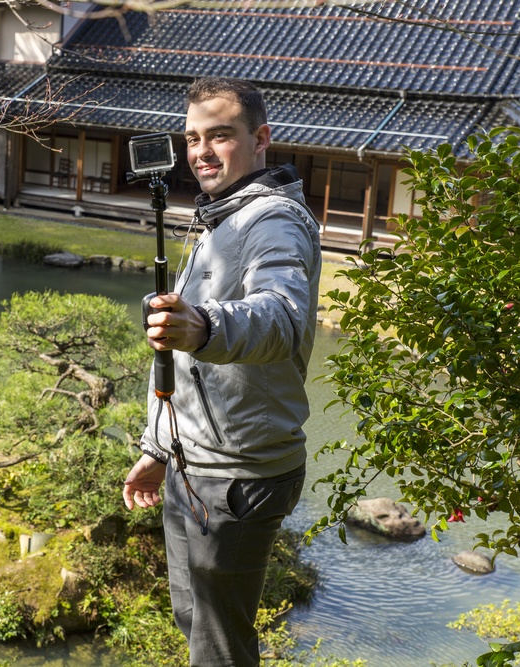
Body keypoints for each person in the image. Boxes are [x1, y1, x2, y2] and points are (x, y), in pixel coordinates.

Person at [122, 77, 322, 667]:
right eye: (191, 138)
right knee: (196, 621)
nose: (201, 151)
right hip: (192, 462)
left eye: (219, 136)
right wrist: (159, 448)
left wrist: (206, 326)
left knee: (219, 648)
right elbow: (187, 367)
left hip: (239, 475)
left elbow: (280, 315)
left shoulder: (273, 222)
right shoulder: (220, 218)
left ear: (260, 139)